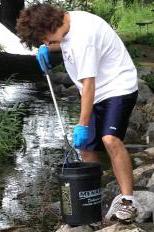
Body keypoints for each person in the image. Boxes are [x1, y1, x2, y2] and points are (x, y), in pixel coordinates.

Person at [16, 3, 139, 223]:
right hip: (94, 89)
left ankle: (128, 202)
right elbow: (64, 45)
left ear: (52, 25)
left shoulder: (84, 37)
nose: (46, 43)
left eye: (46, 39)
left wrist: (82, 124)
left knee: (110, 139)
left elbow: (89, 85)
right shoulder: (66, 24)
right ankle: (92, 199)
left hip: (117, 87)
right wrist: (48, 50)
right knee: (86, 147)